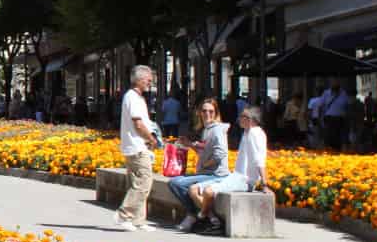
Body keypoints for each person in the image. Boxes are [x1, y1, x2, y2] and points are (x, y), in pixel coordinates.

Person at [194, 105, 268, 233]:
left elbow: (259, 159)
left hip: (244, 180)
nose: (239, 119)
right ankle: (207, 218)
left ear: (250, 119)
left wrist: (265, 184)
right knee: (196, 189)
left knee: (208, 192)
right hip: (236, 176)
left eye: (242, 116)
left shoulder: (254, 134)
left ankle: (207, 219)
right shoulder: (248, 132)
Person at [169, 98, 229, 232]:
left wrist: (207, 164)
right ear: (199, 113)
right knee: (175, 182)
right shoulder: (207, 129)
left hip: (215, 174)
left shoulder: (217, 129)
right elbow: (205, 149)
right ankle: (203, 215)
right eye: (204, 111)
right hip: (206, 172)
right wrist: (190, 144)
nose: (207, 114)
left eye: (211, 111)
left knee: (176, 183)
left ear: (216, 113)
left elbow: (221, 153)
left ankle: (198, 215)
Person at [114, 65, 160, 232]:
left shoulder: (137, 97)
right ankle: (124, 214)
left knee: (137, 182)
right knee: (144, 182)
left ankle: (138, 220)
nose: (150, 82)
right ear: (139, 80)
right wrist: (151, 138)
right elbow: (138, 123)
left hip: (136, 145)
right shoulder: (132, 97)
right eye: (148, 80)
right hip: (136, 146)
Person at [319, 79, 349, 149]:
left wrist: (347, 117)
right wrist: (320, 118)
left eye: (337, 83)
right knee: (329, 136)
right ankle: (329, 150)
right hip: (329, 118)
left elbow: (347, 106)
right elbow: (320, 106)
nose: (335, 84)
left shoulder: (343, 93)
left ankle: (337, 150)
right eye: (333, 83)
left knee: (339, 137)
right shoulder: (326, 93)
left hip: (340, 119)